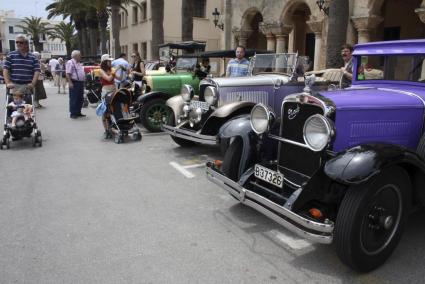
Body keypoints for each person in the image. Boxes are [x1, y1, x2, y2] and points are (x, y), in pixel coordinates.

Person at [99, 53, 119, 133]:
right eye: (109, 61)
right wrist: (116, 70)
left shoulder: (111, 70)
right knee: (105, 110)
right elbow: (108, 78)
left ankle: (113, 126)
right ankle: (106, 130)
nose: (111, 63)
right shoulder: (101, 70)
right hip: (106, 91)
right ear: (104, 62)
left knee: (114, 109)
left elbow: (120, 78)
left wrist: (124, 71)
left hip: (114, 90)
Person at [66, 50, 86, 119]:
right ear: (76, 56)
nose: (81, 56)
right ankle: (73, 113)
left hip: (80, 82)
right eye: (80, 55)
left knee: (80, 98)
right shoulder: (70, 62)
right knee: (74, 98)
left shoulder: (79, 63)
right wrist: (70, 82)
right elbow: (68, 73)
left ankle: (78, 112)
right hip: (74, 82)